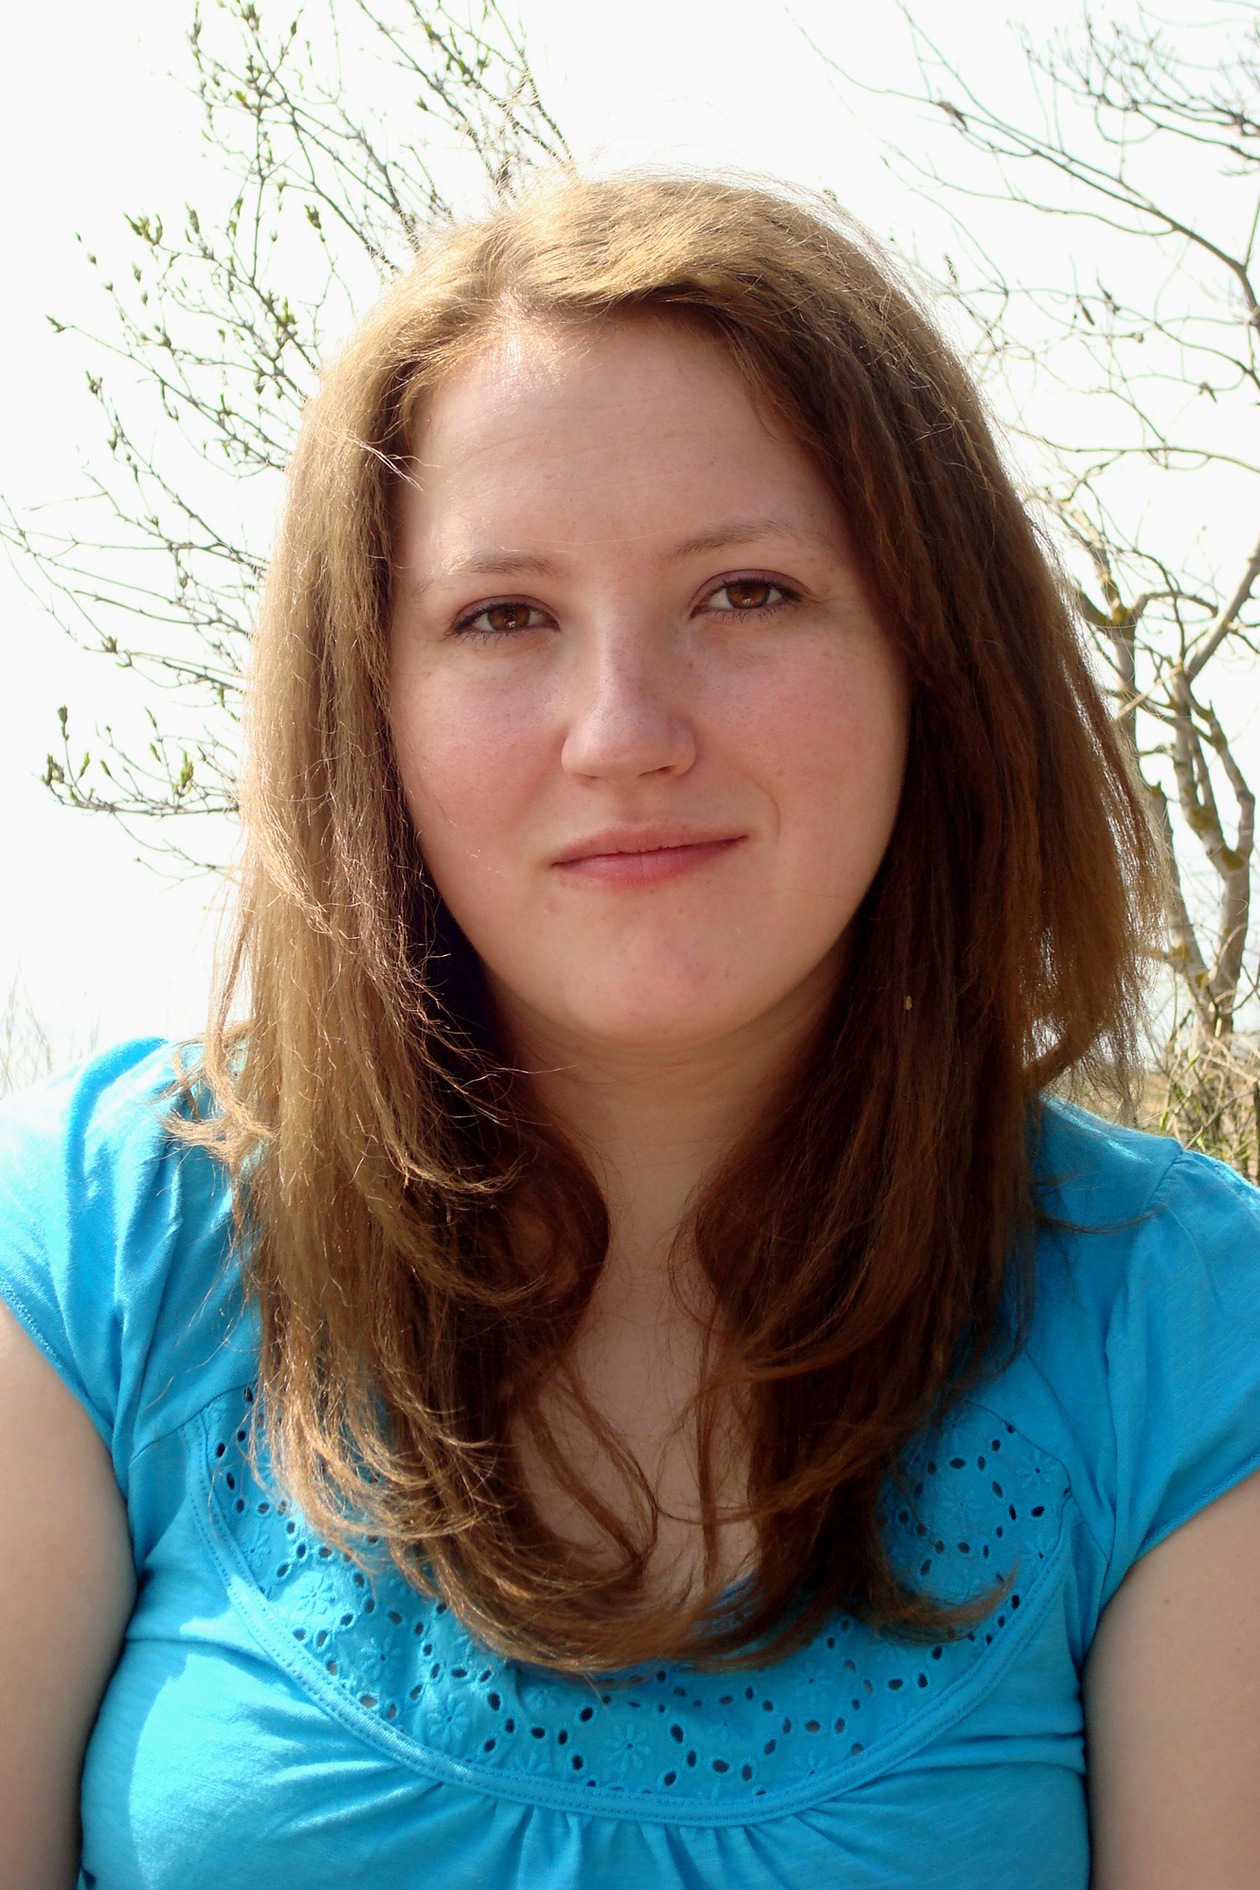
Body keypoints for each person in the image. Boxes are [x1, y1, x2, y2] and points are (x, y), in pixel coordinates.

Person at [2, 172, 1258, 1890]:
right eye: (502, 615)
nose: (624, 729)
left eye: (746, 592)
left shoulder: (1190, 1331)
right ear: (370, 711)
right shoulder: (100, 1251)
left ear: (936, 659)